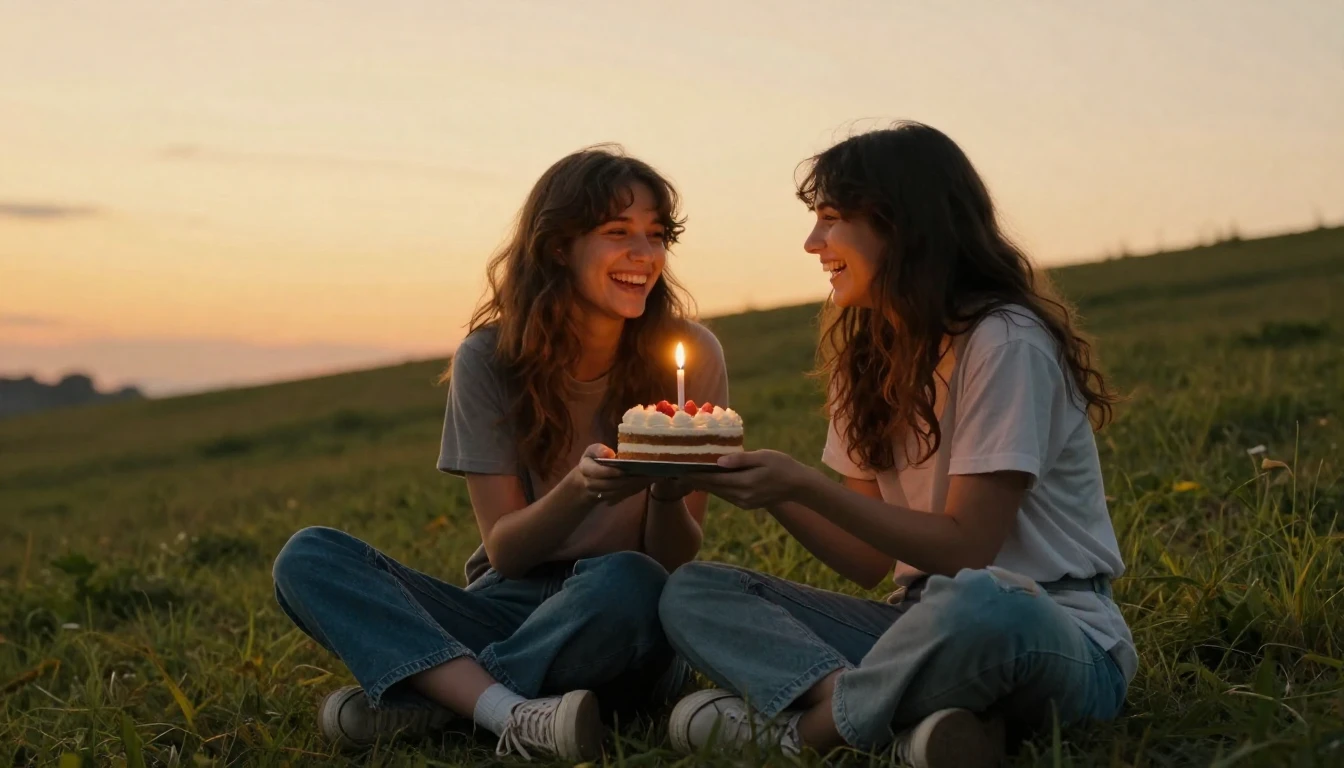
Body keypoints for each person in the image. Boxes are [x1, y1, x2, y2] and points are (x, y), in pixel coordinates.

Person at [659, 122, 1133, 768]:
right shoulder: (866, 358)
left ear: (900, 225)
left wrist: (798, 482)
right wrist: (764, 491)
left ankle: (808, 734)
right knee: (693, 593)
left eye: (831, 219)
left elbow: (968, 546)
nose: (812, 242)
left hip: (1045, 627)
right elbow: (867, 560)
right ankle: (919, 723)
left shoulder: (1005, 341)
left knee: (982, 601)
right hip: (912, 628)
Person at [272, 146, 728, 760]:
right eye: (619, 233)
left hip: (619, 615)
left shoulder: (690, 355)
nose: (644, 256)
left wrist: (669, 489)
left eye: (656, 235)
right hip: (508, 605)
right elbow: (508, 551)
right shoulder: (489, 359)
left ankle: (437, 699)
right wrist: (581, 489)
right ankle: (508, 711)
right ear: (559, 245)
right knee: (310, 557)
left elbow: (673, 557)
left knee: (633, 580)